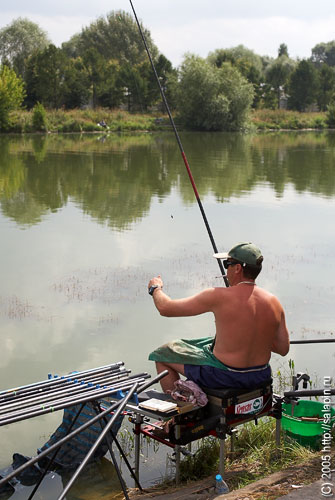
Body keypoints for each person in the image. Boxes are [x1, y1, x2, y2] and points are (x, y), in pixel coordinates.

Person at [147, 242, 289, 393]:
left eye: (228, 264)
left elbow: (166, 308)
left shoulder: (218, 296)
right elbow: (283, 349)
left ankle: (179, 410)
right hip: (260, 375)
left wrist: (156, 288)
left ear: (238, 268)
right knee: (206, 343)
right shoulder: (274, 302)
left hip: (225, 375)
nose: (226, 269)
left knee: (161, 355)